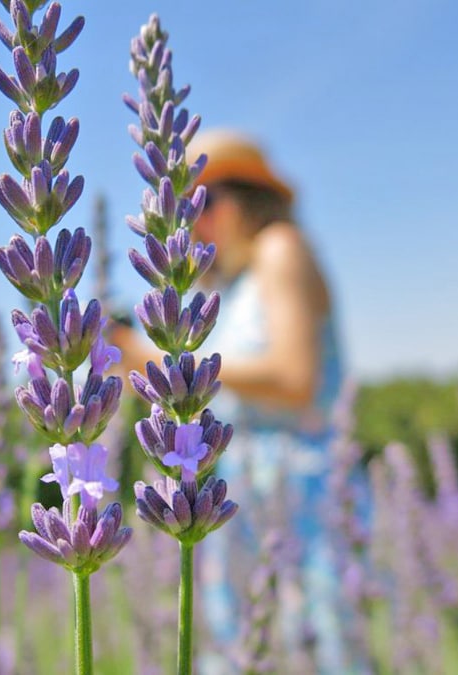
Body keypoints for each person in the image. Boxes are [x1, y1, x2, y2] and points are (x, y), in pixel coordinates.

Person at [112, 130, 347, 672]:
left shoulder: (280, 246)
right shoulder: (227, 287)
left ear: (246, 197)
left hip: (297, 490)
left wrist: (157, 356)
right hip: (233, 494)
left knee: (319, 651)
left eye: (205, 200)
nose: (196, 218)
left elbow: (295, 377)